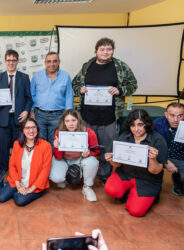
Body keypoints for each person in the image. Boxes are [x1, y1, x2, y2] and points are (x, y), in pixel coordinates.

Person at [72, 37, 138, 184]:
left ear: (112, 51)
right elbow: (74, 84)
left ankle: (104, 176)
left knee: (107, 149)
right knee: (85, 147)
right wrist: (79, 89)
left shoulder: (120, 66)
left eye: (109, 49)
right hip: (87, 117)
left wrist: (120, 90)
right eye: (102, 49)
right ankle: (83, 175)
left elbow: (133, 84)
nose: (105, 52)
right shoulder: (86, 66)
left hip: (110, 117)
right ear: (96, 51)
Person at [104, 109, 167, 217]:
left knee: (135, 211)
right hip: (126, 173)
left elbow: (155, 171)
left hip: (147, 179)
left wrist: (153, 159)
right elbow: (117, 165)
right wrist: (111, 160)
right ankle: (131, 192)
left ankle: (152, 195)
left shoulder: (158, 140)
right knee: (111, 190)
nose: (136, 129)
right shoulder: (124, 137)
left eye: (140, 124)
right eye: (133, 125)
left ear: (146, 124)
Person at [0, 118, 52, 206]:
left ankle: (11, 190)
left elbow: (45, 171)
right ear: (23, 130)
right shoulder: (17, 144)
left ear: (37, 129)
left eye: (33, 127)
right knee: (1, 197)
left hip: (35, 185)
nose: (31, 130)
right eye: (27, 128)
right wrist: (19, 186)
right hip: (18, 182)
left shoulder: (45, 146)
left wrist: (30, 189)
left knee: (20, 200)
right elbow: (12, 166)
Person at [0, 50, 33, 179]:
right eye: (8, 60)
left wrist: (26, 111)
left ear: (17, 61)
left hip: (19, 117)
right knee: (3, 146)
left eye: (13, 60)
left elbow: (29, 98)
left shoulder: (24, 77)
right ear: (5, 62)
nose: (11, 62)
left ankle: (18, 167)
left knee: (19, 145)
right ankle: (3, 168)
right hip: (3, 117)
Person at [49, 109, 100, 202]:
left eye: (73, 120)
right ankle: (63, 178)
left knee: (93, 162)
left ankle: (87, 187)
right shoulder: (59, 132)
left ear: (78, 120)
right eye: (67, 121)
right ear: (64, 123)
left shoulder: (88, 132)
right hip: (63, 159)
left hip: (80, 159)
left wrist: (89, 153)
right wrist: (56, 147)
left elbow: (96, 150)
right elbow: (58, 157)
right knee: (56, 178)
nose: (70, 124)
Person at [30, 52, 73, 147]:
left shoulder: (66, 76)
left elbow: (69, 96)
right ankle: (42, 162)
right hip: (39, 115)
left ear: (59, 62)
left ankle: (52, 162)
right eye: (49, 61)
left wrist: (68, 115)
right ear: (45, 62)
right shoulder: (37, 76)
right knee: (40, 142)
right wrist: (31, 109)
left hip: (58, 115)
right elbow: (32, 94)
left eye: (54, 61)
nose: (52, 64)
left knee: (55, 142)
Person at [154, 102, 184, 196]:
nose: (176, 119)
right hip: (159, 155)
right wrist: (165, 161)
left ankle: (178, 180)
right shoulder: (157, 124)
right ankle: (155, 180)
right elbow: (151, 147)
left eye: (180, 116)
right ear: (166, 115)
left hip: (179, 156)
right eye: (172, 115)